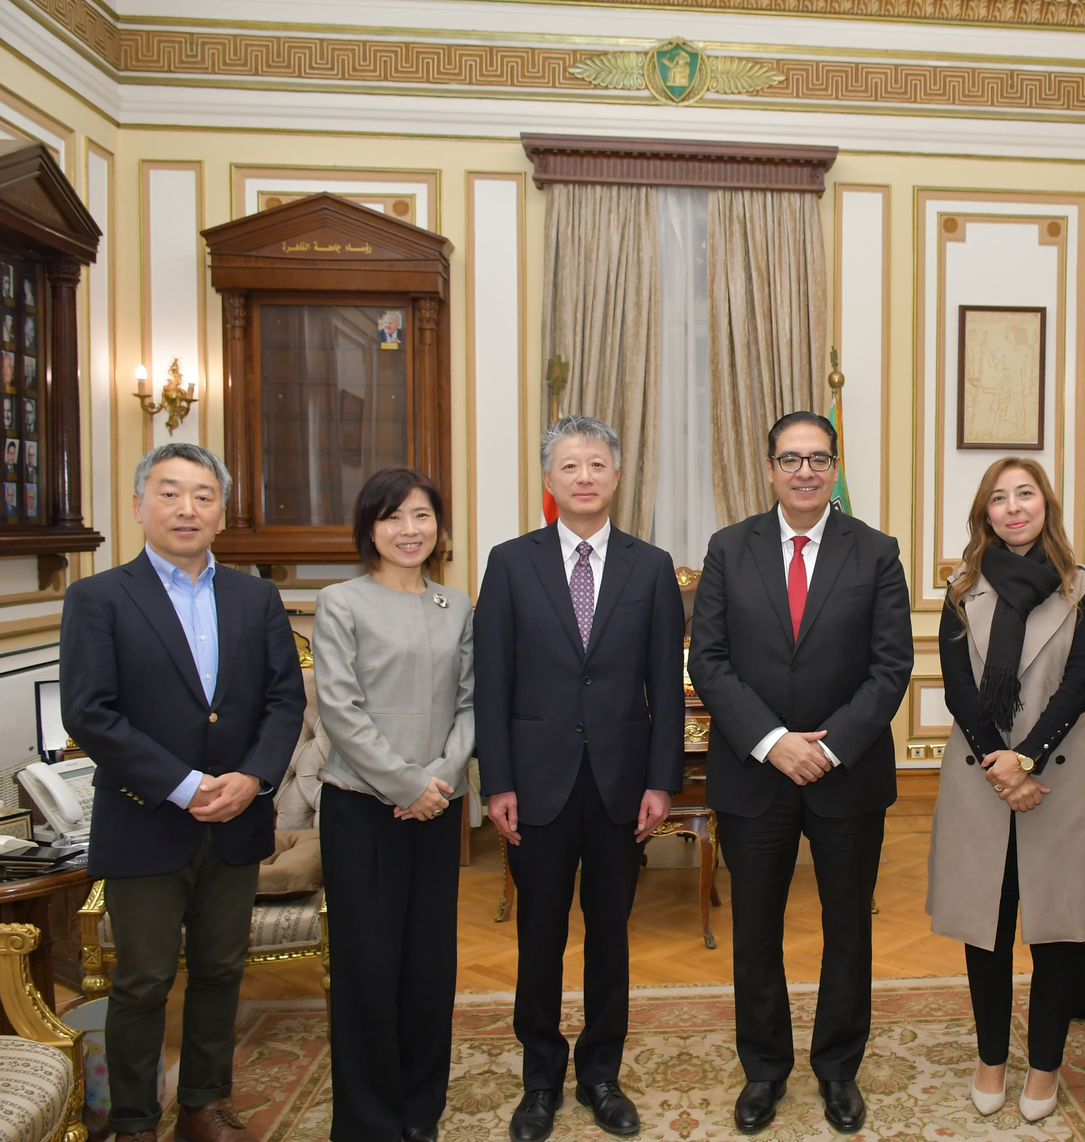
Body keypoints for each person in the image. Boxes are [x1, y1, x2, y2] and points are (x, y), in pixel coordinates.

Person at [60, 442, 306, 1142]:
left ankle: (202, 1104)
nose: (186, 508)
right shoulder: (99, 598)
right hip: (145, 821)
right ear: (139, 506)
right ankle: (136, 1120)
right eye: (169, 493)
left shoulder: (254, 596)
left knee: (223, 969)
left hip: (237, 818)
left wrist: (253, 778)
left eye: (202, 495)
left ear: (221, 511)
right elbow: (91, 713)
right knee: (142, 980)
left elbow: (284, 702)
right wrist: (185, 785)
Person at [688, 410, 913, 1136]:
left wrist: (828, 746)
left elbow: (890, 665)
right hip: (755, 774)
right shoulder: (729, 548)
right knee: (756, 932)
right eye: (792, 459)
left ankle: (839, 1069)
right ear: (770, 469)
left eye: (819, 459)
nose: (806, 471)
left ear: (836, 467)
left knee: (848, 929)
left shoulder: (876, 551)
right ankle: (764, 1070)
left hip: (847, 775)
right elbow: (709, 661)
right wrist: (774, 742)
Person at [475, 415, 684, 1142]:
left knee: (610, 937)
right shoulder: (509, 562)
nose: (586, 476)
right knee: (538, 937)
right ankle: (539, 1080)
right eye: (571, 465)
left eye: (598, 464)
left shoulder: (650, 566)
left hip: (622, 785)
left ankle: (600, 1073)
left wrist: (663, 780)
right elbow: (492, 680)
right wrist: (495, 781)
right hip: (534, 786)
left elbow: (665, 682)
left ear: (618, 477)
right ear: (549, 480)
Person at [927, 457, 1085, 1124]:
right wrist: (999, 765)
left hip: (1058, 782)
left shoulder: (1082, 588)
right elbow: (958, 686)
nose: (1013, 508)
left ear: (1046, 505)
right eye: (999, 499)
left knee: (1059, 933)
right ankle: (991, 1058)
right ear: (985, 513)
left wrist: (1028, 759)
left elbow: (1077, 684)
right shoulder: (962, 589)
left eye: (1026, 494)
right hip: (983, 782)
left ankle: (1044, 1067)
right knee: (987, 929)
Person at [313, 467, 473, 1142]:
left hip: (437, 810)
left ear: (439, 528)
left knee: (428, 966)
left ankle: (419, 1109)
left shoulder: (457, 605)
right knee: (367, 969)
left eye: (421, 517)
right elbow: (340, 709)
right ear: (369, 529)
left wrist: (436, 780)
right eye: (392, 518)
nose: (409, 531)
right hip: (361, 811)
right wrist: (405, 784)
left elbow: (472, 705)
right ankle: (369, 1121)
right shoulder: (341, 602)